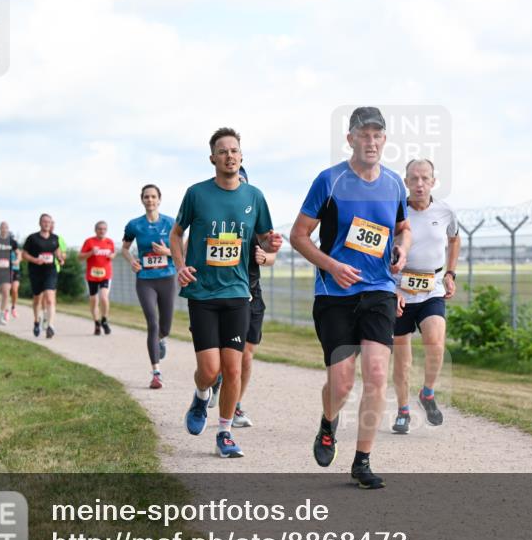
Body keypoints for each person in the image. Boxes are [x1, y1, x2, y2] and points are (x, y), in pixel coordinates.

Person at [289, 107, 411, 489]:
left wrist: (403, 249)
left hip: (378, 291)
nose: (371, 141)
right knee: (341, 384)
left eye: (377, 135)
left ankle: (362, 461)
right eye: (364, 134)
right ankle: (328, 423)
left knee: (376, 374)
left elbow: (403, 227)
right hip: (335, 294)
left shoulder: (394, 184)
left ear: (385, 140)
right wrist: (332, 266)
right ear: (350, 139)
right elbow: (299, 235)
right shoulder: (329, 181)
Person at [171, 127, 281, 458]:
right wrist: (180, 265)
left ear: (241, 156)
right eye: (223, 151)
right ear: (212, 158)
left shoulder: (255, 197)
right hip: (202, 293)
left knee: (233, 369)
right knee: (210, 370)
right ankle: (201, 396)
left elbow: (264, 238)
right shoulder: (196, 194)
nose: (229, 155)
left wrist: (269, 245)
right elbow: (176, 234)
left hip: (237, 292)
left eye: (234, 150)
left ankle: (225, 432)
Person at [391, 159, 460, 433]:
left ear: (433, 181)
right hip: (400, 289)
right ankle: (402, 411)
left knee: (436, 342)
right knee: (403, 359)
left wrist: (451, 273)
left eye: (425, 178)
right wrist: (390, 287)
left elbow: (455, 239)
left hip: (431, 287)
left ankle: (428, 393)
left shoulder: (445, 211)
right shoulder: (396, 212)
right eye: (414, 179)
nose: (420, 184)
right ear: (406, 182)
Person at [230, 167, 278, 428]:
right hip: (221, 294)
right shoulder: (217, 216)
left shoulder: (256, 216)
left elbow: (271, 255)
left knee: (246, 356)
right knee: (220, 360)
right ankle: (211, 384)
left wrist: (264, 257)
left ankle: (236, 405)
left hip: (251, 293)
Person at [122, 186, 176, 388]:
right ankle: (156, 372)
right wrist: (132, 261)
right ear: (142, 200)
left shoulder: (171, 223)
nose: (150, 200)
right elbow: (125, 249)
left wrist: (167, 251)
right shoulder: (134, 225)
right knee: (152, 323)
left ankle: (161, 339)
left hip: (167, 278)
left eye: (153, 196)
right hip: (145, 279)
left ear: (159, 199)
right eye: (146, 197)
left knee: (165, 327)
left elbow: (184, 248)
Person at [22, 214, 64, 338]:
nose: (46, 224)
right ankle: (36, 321)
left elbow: (57, 252)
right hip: (35, 271)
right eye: (44, 222)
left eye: (49, 222)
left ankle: (50, 326)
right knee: (37, 299)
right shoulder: (32, 238)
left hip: (50, 271)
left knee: (50, 298)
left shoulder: (55, 238)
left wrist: (60, 259)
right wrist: (35, 260)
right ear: (40, 223)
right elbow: (24, 254)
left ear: (51, 224)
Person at [79, 221, 116, 336]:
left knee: (104, 297)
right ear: (95, 230)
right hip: (92, 275)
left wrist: (112, 256)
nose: (102, 231)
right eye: (100, 229)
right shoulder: (89, 241)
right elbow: (80, 257)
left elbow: (113, 253)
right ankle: (96, 323)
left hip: (105, 274)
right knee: (94, 300)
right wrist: (91, 252)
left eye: (104, 229)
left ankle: (104, 319)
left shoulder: (110, 242)